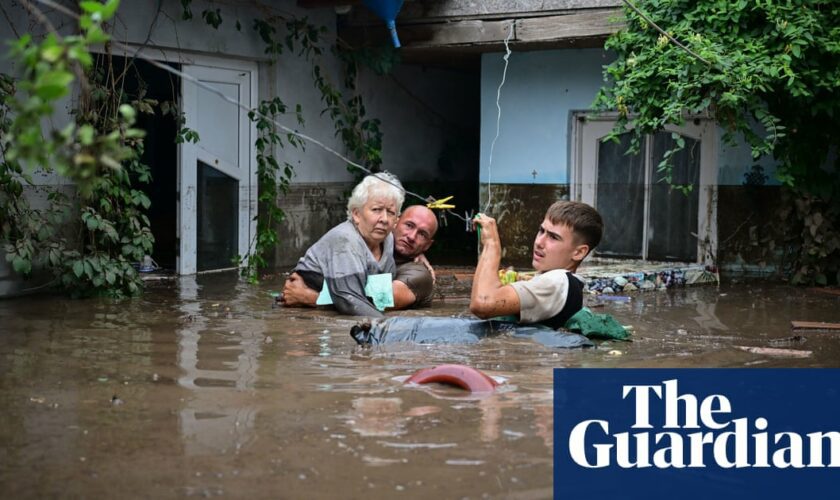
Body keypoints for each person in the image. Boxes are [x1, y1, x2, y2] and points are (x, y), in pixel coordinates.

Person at [469, 200, 603, 329]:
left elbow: (483, 303)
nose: (539, 242)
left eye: (553, 237)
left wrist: (491, 244)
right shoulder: (567, 284)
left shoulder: (557, 280)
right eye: (541, 230)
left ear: (579, 252)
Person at [287, 172, 404, 317]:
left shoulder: (388, 239)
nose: (384, 219)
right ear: (356, 214)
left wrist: (420, 255)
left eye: (391, 212)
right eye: (376, 210)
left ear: (396, 220)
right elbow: (349, 301)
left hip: (325, 304)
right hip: (302, 314)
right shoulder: (345, 239)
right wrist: (391, 329)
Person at [282, 204, 439, 310]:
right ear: (395, 222)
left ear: (427, 245)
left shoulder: (420, 275)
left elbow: (378, 302)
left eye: (422, 234)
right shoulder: (368, 245)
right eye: (409, 226)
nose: (411, 236)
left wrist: (309, 297)